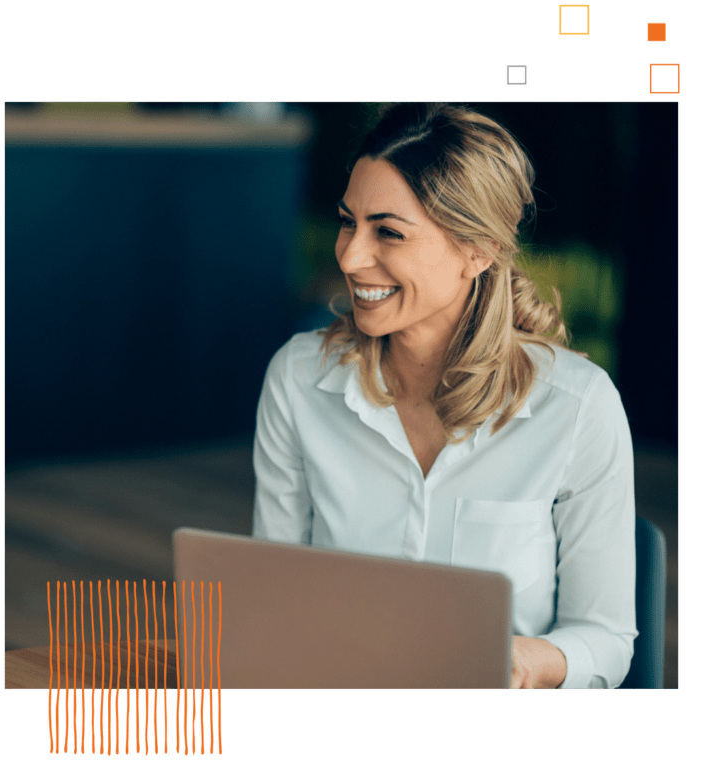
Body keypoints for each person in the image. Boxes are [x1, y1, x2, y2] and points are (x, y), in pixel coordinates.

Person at [252, 102, 637, 689]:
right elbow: (272, 592)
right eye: (347, 221)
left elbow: (604, 639)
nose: (351, 256)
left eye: (388, 232)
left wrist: (524, 660)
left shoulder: (578, 407)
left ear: (476, 250)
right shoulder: (298, 379)